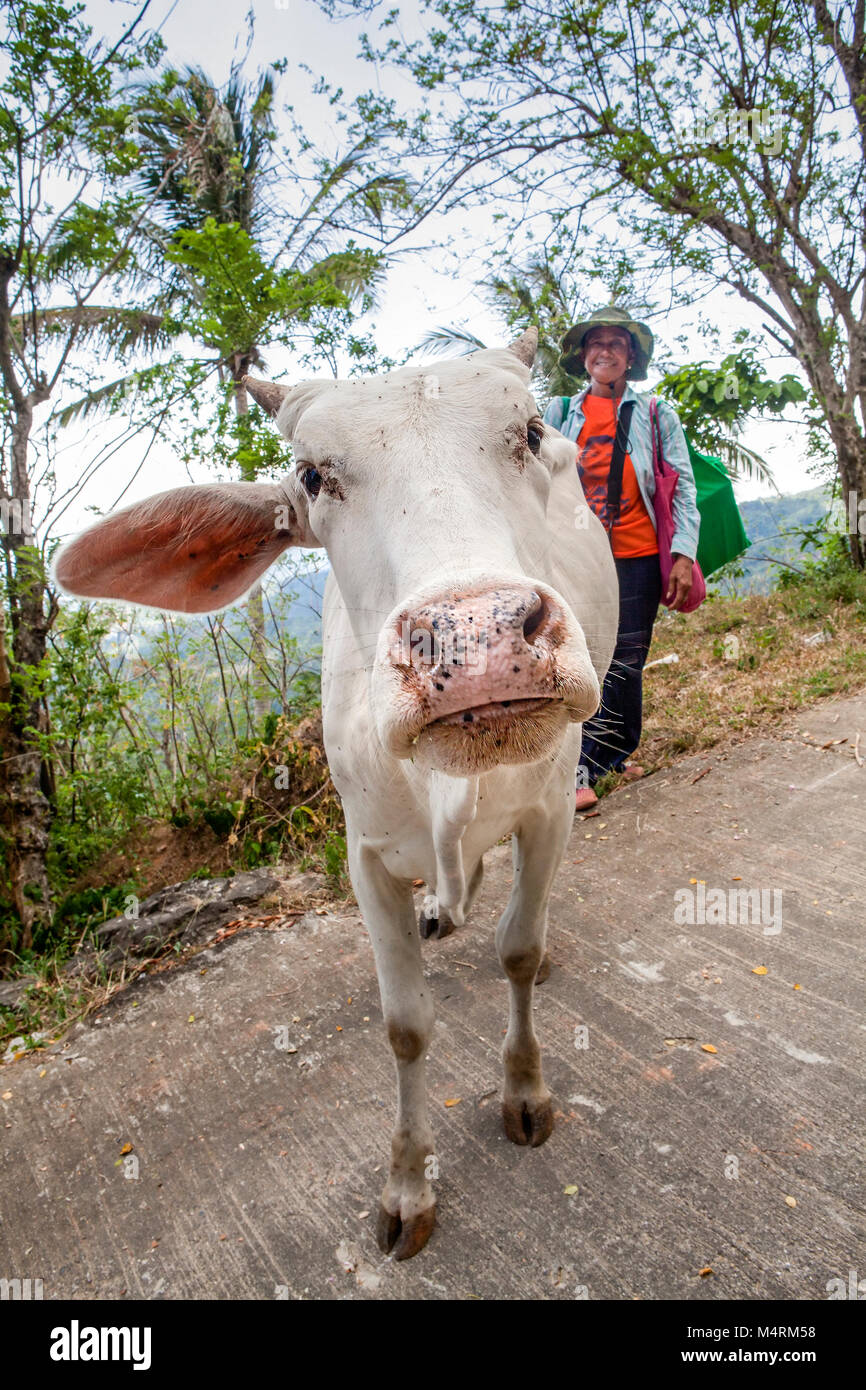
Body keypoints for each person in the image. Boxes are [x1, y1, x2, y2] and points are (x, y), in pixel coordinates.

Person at [542, 306, 701, 812]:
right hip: (571, 556)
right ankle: (575, 770)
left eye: (616, 343)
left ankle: (611, 755)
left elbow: (683, 487)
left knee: (627, 659)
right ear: (583, 356)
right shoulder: (560, 413)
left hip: (634, 553)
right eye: (595, 343)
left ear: (630, 357)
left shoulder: (655, 413)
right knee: (578, 658)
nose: (604, 350)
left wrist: (682, 554)